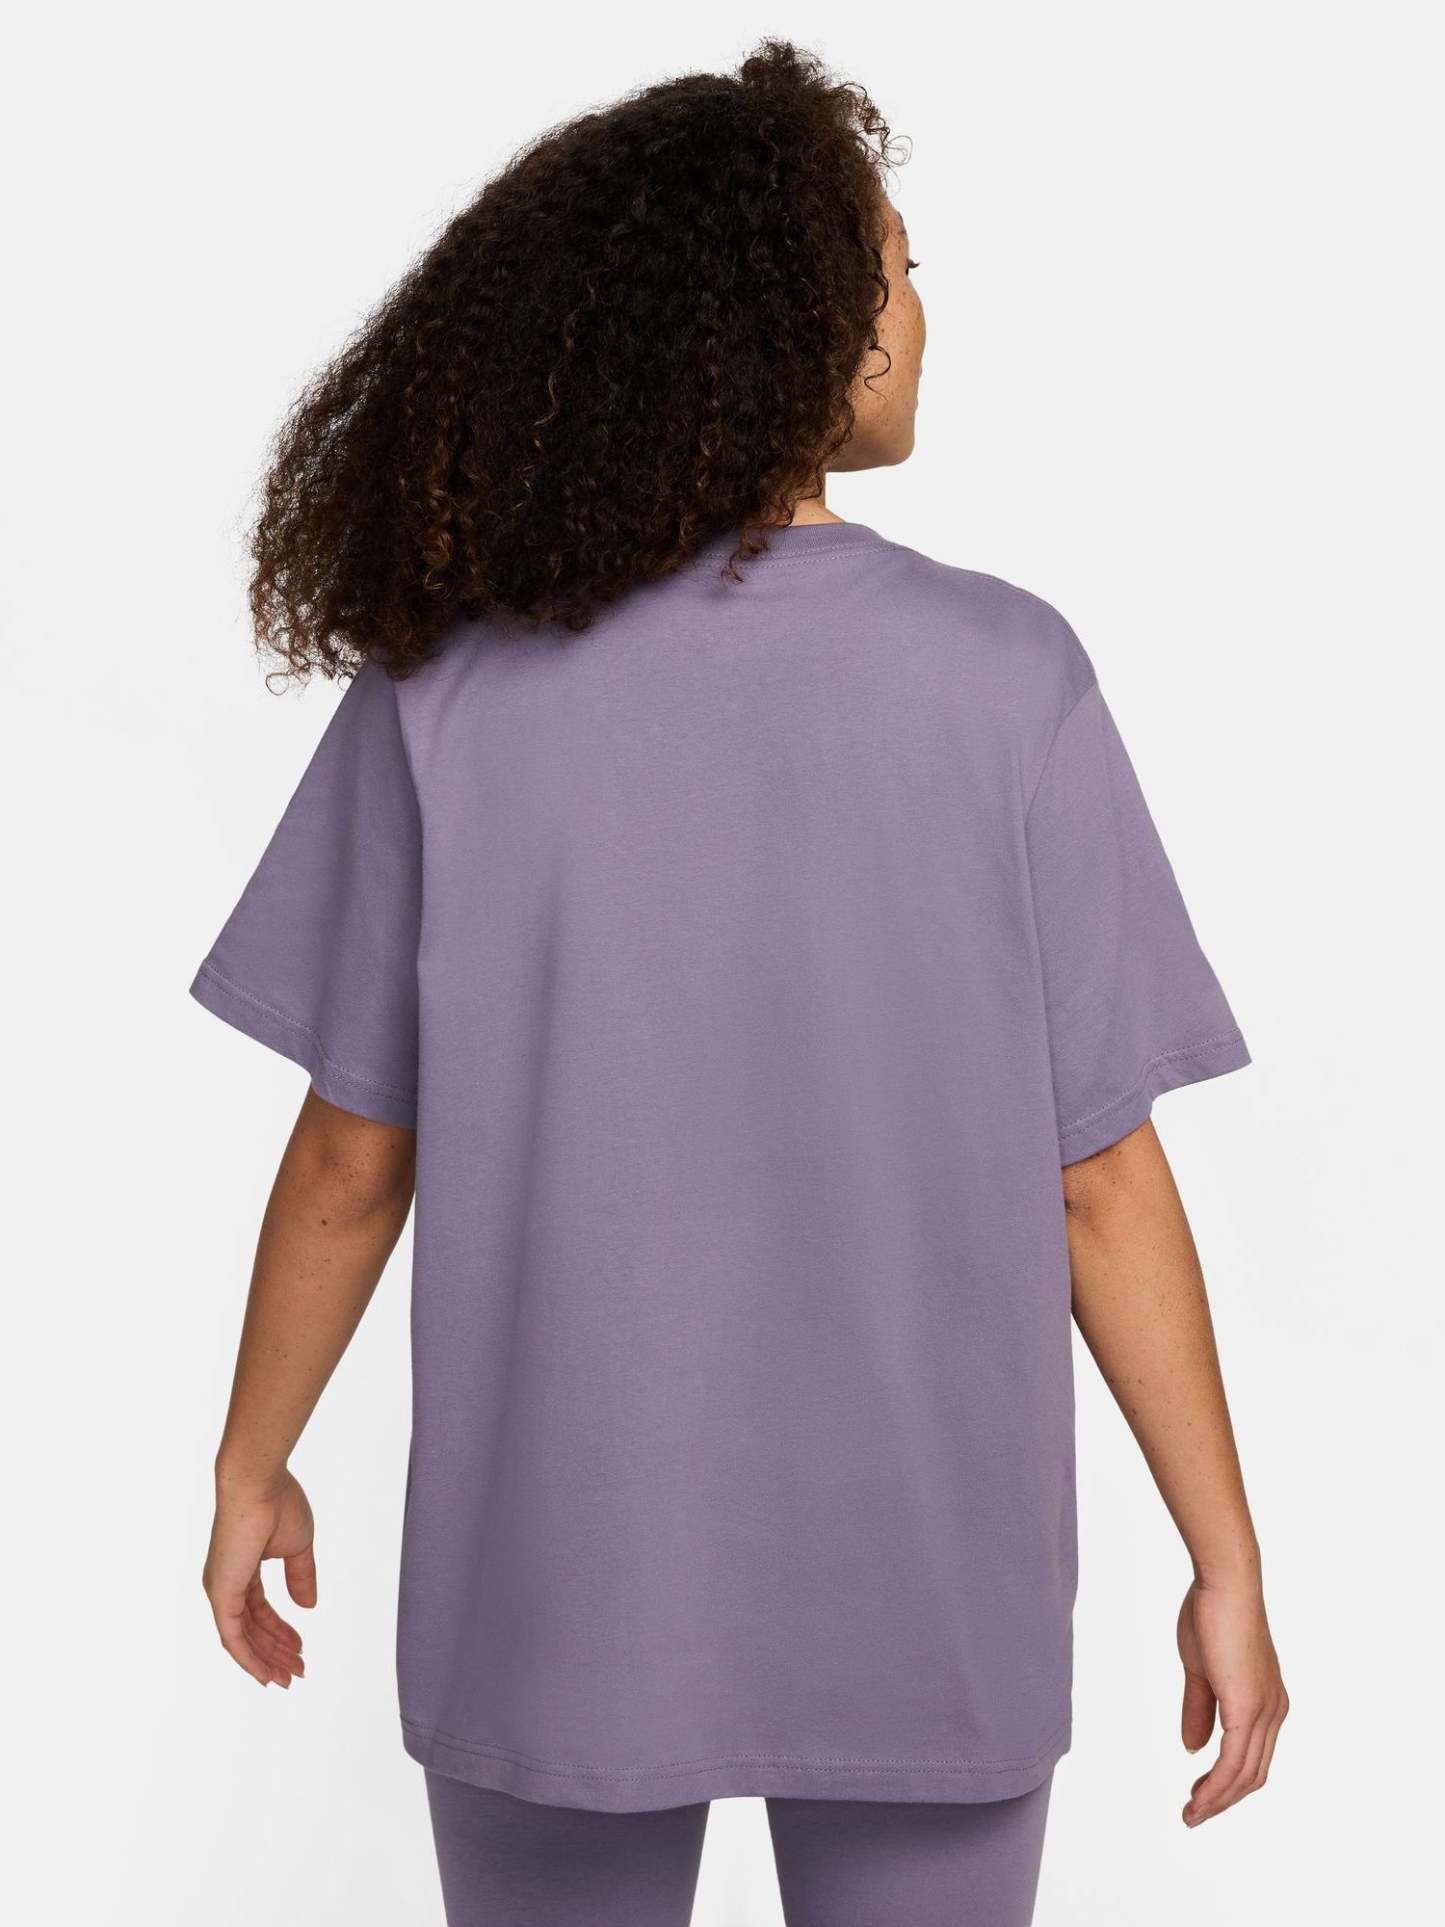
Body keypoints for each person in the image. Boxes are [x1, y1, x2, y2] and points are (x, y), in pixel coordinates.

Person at [193, 39, 1287, 1927]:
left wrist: (250, 1459)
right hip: (929, 1581)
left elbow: (353, 1157)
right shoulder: (1008, 683)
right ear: (807, 328)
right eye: (899, 269)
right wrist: (1226, 1558)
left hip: (560, 1580)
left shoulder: (447, 690)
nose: (921, 312)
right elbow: (1097, 1180)